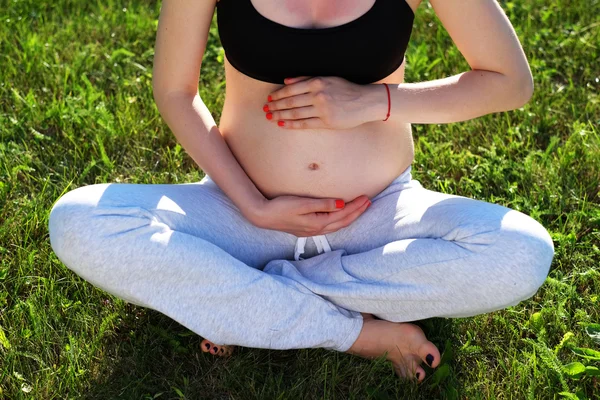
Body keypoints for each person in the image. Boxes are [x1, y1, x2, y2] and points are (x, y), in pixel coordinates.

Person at [48, 0, 555, 382]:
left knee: (521, 254)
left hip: (378, 215)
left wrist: (369, 102)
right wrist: (254, 205)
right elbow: (174, 91)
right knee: (78, 221)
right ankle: (357, 333)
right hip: (240, 213)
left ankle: (243, 297)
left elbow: (510, 82)